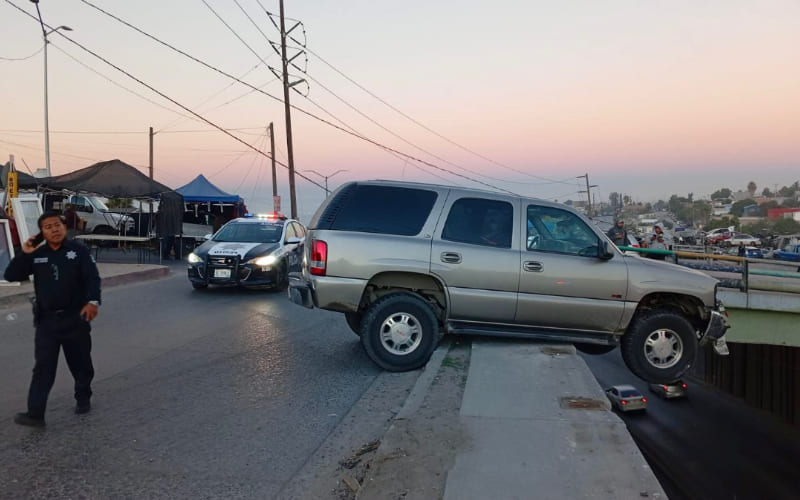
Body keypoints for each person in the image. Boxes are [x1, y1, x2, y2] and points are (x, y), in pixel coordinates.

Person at [4, 211, 101, 427]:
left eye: (57, 224)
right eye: (48, 227)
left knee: (80, 362)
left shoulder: (78, 251)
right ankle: (35, 414)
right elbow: (11, 275)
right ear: (42, 232)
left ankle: (83, 395)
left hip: (75, 317)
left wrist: (93, 301)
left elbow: (92, 278)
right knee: (43, 368)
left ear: (64, 227)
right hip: (47, 322)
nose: (54, 229)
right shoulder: (38, 255)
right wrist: (25, 253)